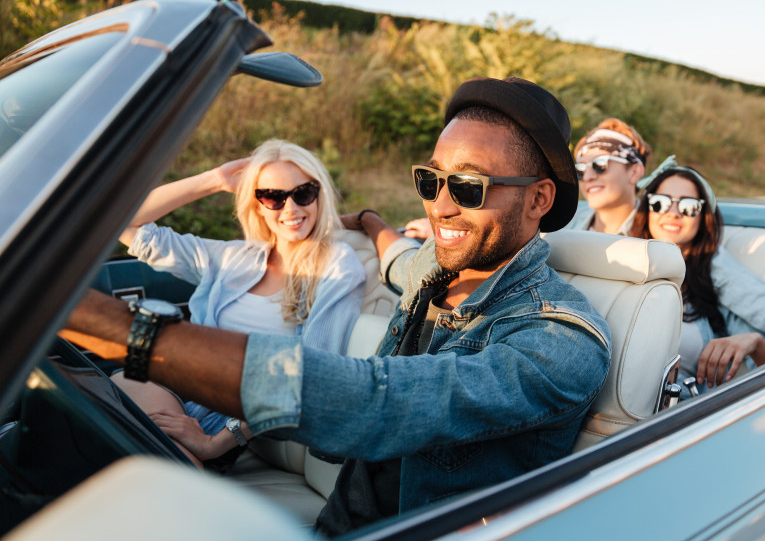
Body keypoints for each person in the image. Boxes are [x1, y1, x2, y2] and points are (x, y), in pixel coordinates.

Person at [61, 77, 611, 535]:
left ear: (539, 198)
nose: (440, 205)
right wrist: (370, 223)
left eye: (467, 186)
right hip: (343, 519)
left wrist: (124, 332)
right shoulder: (436, 267)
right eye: (430, 179)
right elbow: (399, 261)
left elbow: (380, 404)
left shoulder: (561, 340)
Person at [114, 139, 365, 465]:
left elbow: (312, 373)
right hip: (167, 381)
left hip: (217, 421)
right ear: (257, 204)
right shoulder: (235, 258)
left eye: (303, 193)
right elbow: (122, 221)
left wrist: (217, 442)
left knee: (143, 468)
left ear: (320, 195)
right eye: (272, 196)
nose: (290, 209)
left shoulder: (335, 266)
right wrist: (213, 180)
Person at [633, 165, 765, 394]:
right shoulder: (619, 262)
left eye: (688, 206)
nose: (673, 213)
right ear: (647, 210)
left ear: (702, 216)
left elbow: (757, 300)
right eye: (660, 203)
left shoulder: (713, 286)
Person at [564, 118, 652, 234]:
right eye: (581, 169)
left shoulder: (657, 233)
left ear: (635, 172)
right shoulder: (564, 221)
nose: (587, 177)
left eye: (599, 164)